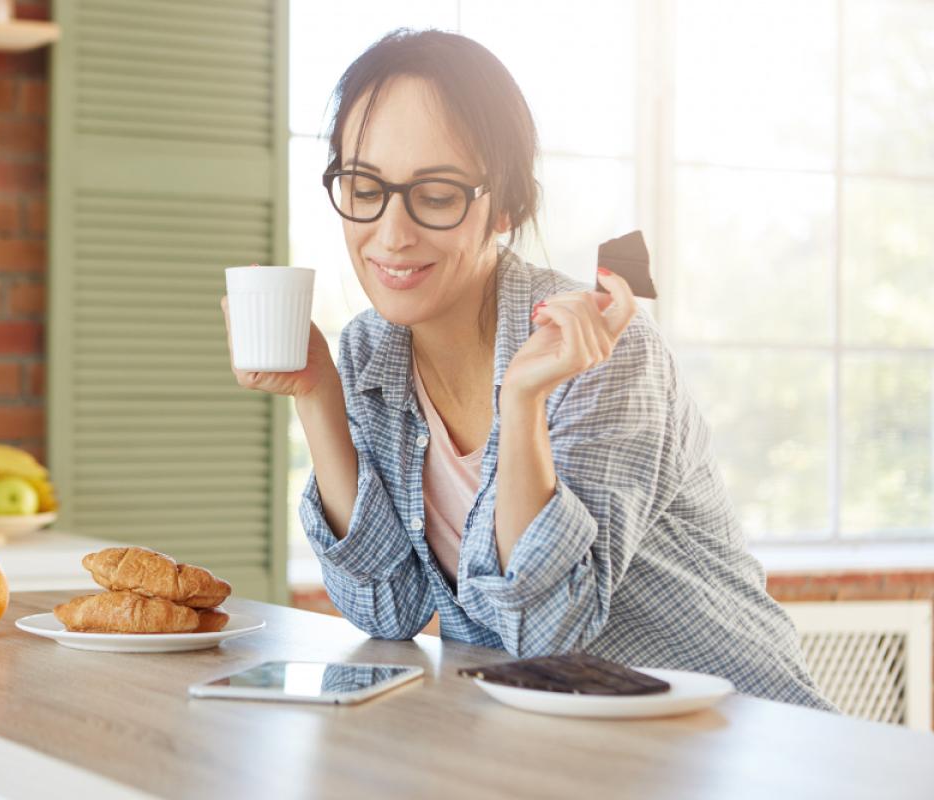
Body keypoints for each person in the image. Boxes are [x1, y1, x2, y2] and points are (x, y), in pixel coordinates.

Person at [222, 29, 832, 710]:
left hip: (737, 736)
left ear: (505, 205)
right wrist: (317, 394)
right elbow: (383, 607)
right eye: (365, 186)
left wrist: (521, 403)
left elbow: (547, 630)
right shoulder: (372, 353)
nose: (391, 233)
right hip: (557, 745)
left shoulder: (601, 350)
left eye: (437, 194)